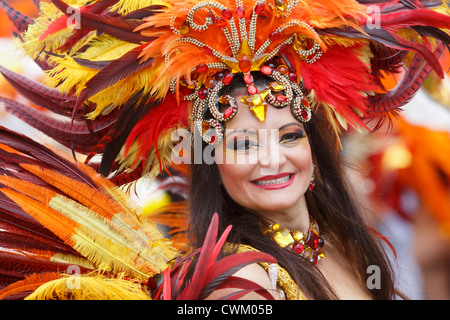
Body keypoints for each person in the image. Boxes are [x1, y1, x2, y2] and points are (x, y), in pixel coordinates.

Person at [0, 0, 449, 300]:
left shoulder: (342, 241)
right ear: (212, 162)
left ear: (316, 150)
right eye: (242, 145)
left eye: (290, 137)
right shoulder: (242, 283)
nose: (272, 159)